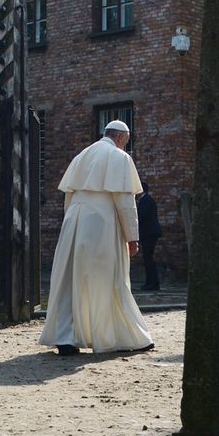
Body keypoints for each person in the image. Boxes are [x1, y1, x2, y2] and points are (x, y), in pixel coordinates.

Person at [38, 120, 154, 356]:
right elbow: (125, 203)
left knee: (71, 280)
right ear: (122, 138)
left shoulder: (82, 155)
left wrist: (70, 226)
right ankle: (122, 336)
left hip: (73, 221)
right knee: (108, 279)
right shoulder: (120, 158)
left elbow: (68, 197)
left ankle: (66, 337)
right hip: (102, 223)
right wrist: (132, 237)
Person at [136, 180, 163, 291]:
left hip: (149, 233)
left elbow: (141, 216)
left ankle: (152, 283)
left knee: (148, 259)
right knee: (148, 258)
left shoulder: (146, 201)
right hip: (149, 233)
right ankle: (150, 282)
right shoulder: (146, 200)